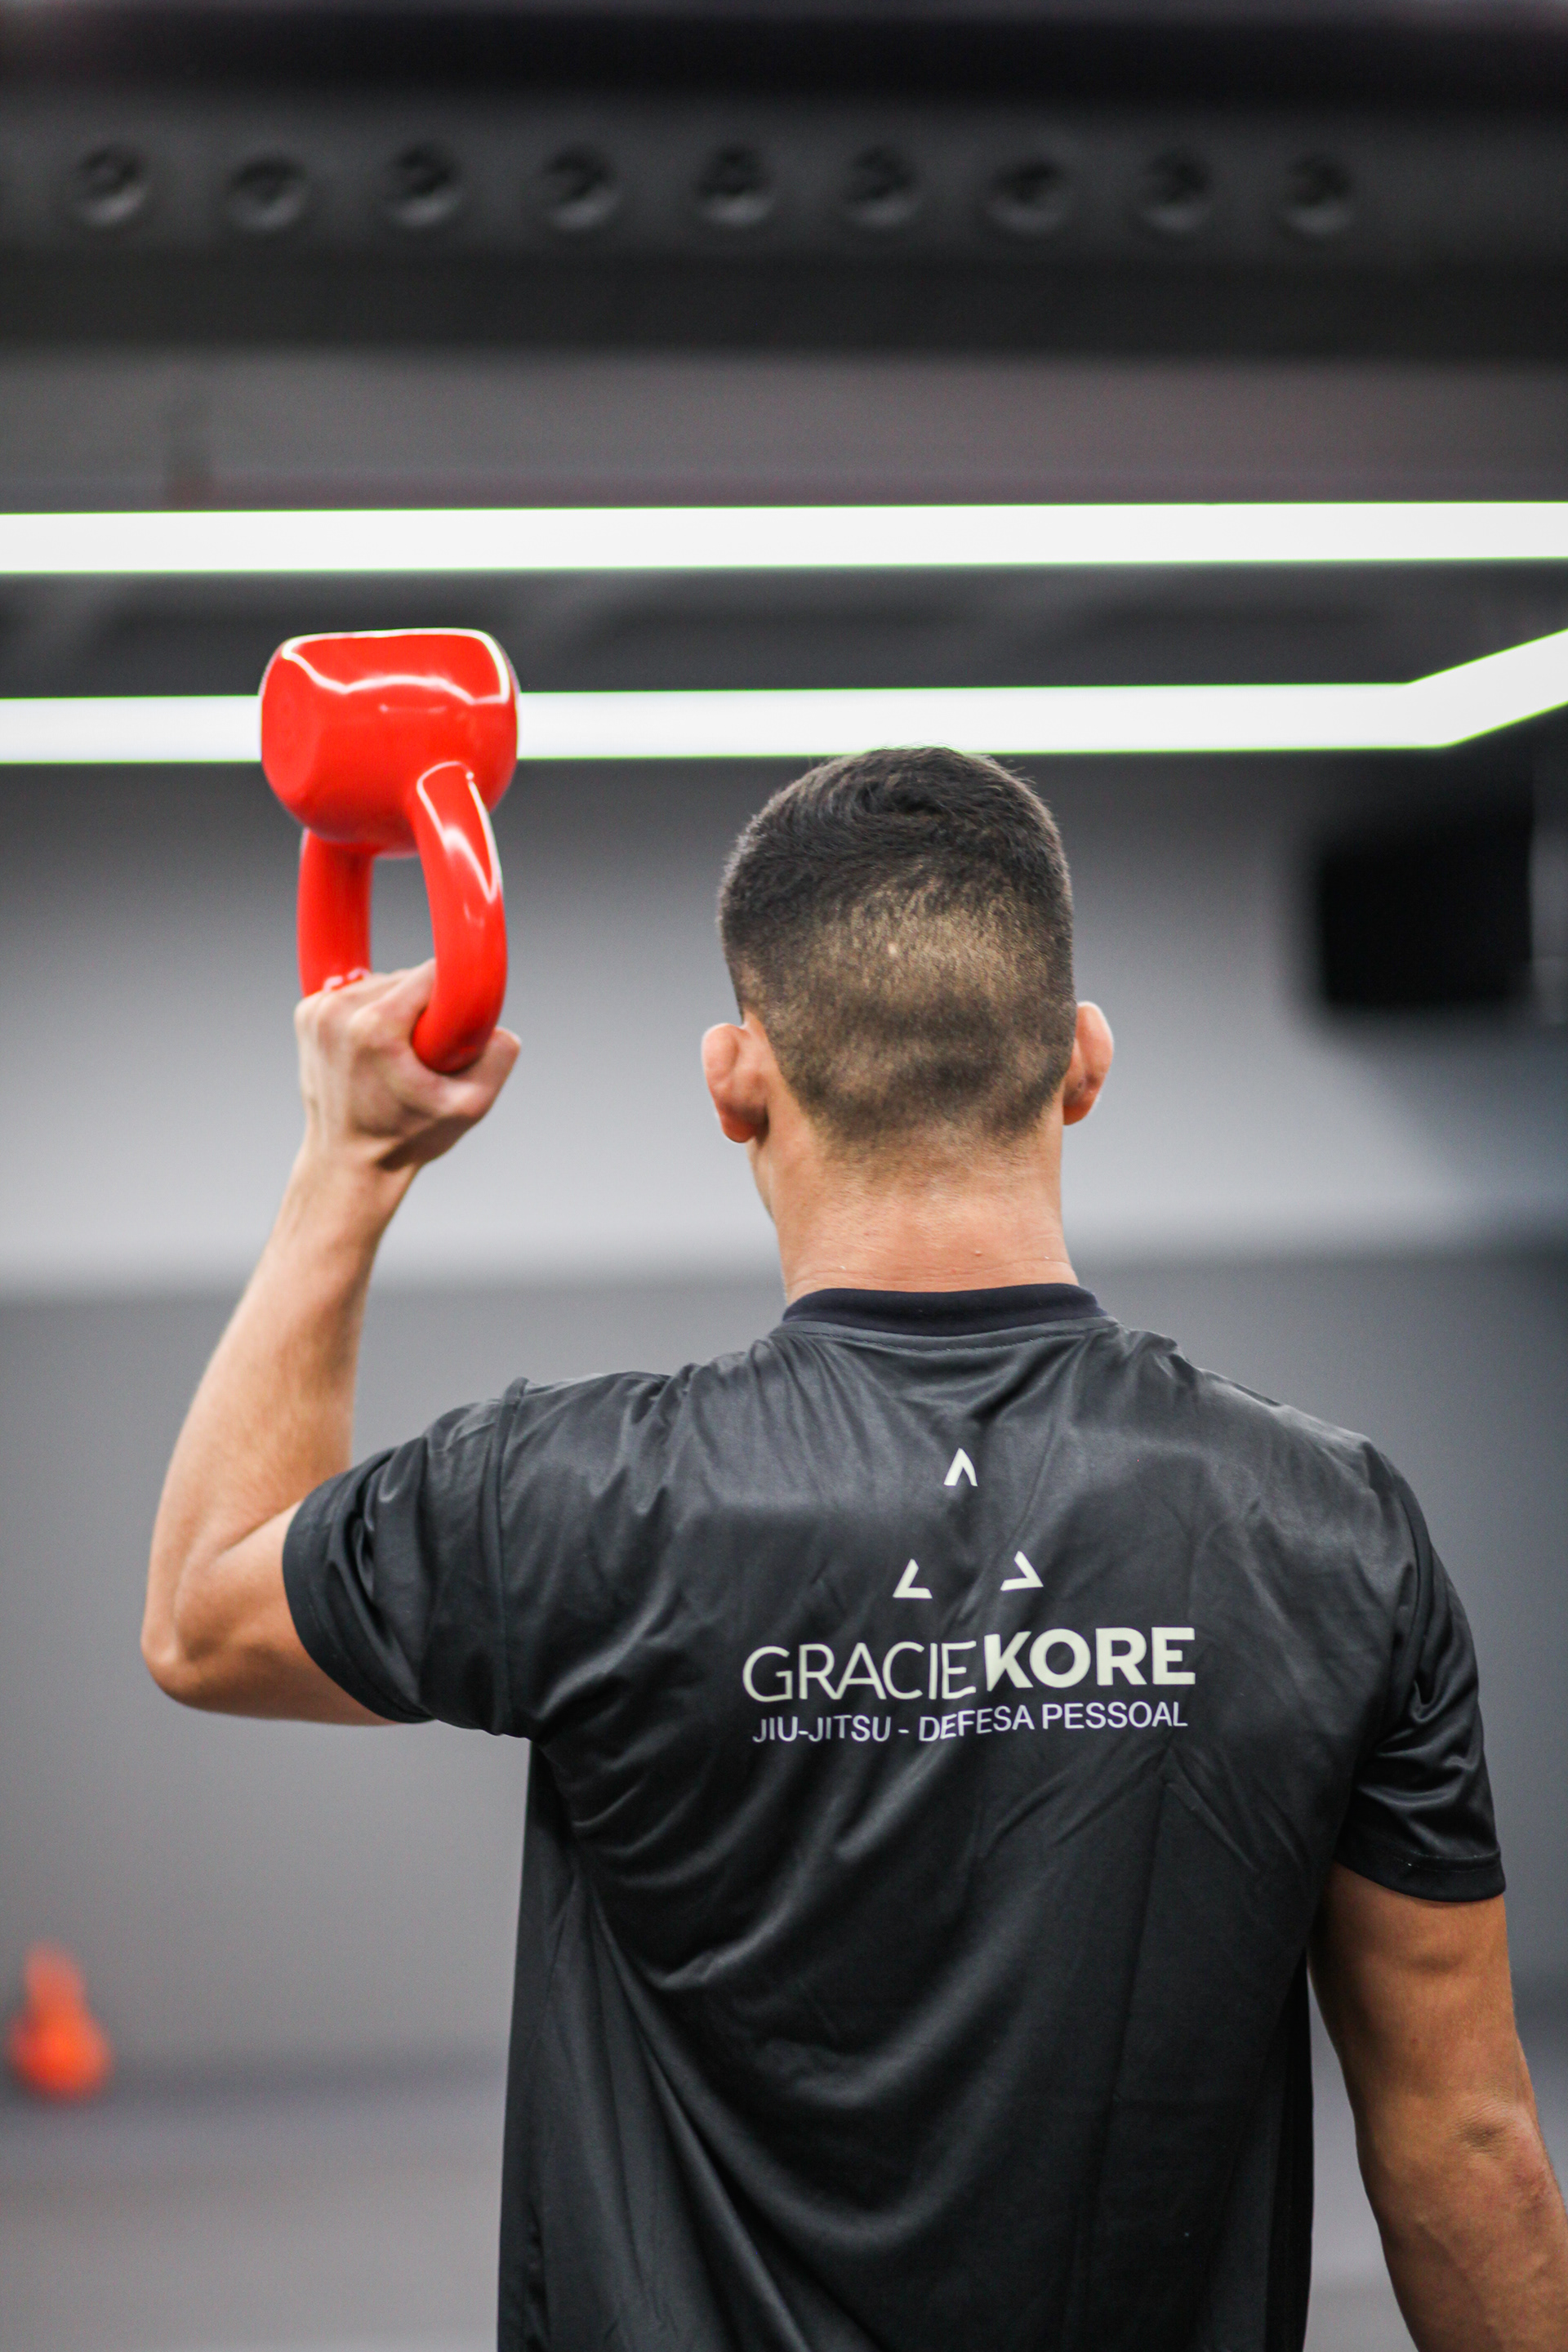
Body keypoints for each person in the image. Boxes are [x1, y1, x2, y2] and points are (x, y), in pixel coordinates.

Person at [143, 748, 1567, 2352]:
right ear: (1082, 1062)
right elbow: (1463, 2140)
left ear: (733, 1081)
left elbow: (203, 1613)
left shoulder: (579, 1494)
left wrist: (350, 1163)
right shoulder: (1328, 1524)